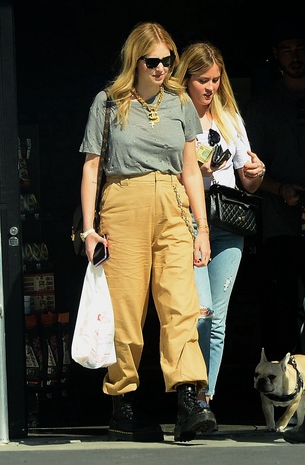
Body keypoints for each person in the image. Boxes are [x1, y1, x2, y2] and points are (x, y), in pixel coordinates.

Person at [78, 21, 216, 443]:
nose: (161, 69)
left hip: (173, 204)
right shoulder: (108, 101)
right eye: (152, 61)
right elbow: (91, 166)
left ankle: (191, 399)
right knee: (126, 310)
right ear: (134, 61)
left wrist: (202, 227)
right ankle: (124, 403)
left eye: (167, 61)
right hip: (123, 203)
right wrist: (88, 230)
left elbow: (191, 167)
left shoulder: (179, 101)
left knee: (180, 304)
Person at [175, 41, 265, 423]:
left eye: (216, 79)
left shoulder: (229, 117)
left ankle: (205, 400)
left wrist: (254, 174)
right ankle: (190, 395)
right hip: (190, 222)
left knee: (217, 318)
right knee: (199, 311)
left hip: (228, 223)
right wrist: (197, 172)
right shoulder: (175, 116)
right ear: (187, 80)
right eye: (202, 81)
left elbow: (249, 182)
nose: (210, 88)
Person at [244, 15, 305, 367]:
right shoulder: (262, 107)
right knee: (283, 308)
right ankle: (285, 390)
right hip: (281, 223)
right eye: (287, 51)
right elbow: (246, 172)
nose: (295, 56)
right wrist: (280, 189)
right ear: (275, 56)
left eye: (300, 49)